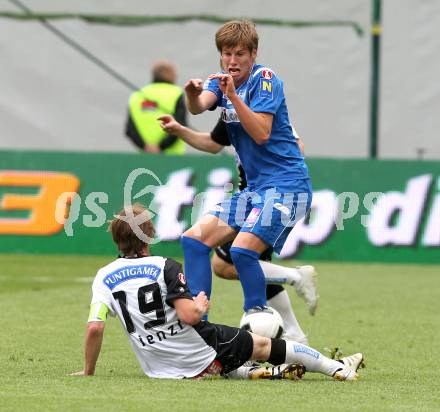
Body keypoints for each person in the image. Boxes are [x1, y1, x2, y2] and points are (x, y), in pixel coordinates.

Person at [70, 204, 363, 381]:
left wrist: (88, 371)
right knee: (264, 344)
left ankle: (257, 373)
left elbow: (95, 328)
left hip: (158, 368)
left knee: (228, 356)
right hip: (199, 353)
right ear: (149, 234)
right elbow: (189, 316)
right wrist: (198, 303)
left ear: (116, 241)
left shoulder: (103, 277)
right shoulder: (165, 266)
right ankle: (338, 367)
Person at [180, 20, 313, 318]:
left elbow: (262, 133)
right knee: (193, 240)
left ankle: (257, 318)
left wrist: (234, 97)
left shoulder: (266, 79)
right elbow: (199, 105)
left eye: (239, 54)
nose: (232, 61)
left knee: (241, 253)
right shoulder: (220, 81)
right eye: (226, 54)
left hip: (288, 186)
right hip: (256, 190)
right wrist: (192, 93)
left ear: (254, 53)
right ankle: (199, 322)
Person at [159, 113, 317, 344]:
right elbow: (213, 142)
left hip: (271, 196)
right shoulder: (229, 112)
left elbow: (297, 147)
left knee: (236, 260)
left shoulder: (264, 110)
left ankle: (290, 287)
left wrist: (263, 154)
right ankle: (293, 325)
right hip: (249, 196)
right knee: (223, 263)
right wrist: (180, 130)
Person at [125, 60, 187, 154]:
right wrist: (161, 147)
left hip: (145, 157)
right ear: (171, 75)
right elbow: (180, 125)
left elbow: (130, 130)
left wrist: (145, 147)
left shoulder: (137, 95)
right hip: (173, 158)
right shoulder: (176, 93)